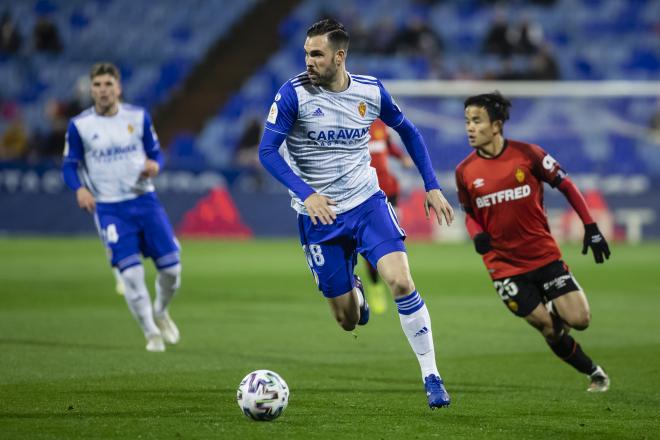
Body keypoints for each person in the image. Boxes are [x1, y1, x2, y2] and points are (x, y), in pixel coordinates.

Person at [258, 19, 454, 409]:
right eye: (306, 54)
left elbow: (409, 131)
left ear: (339, 55)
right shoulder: (292, 95)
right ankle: (358, 299)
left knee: (400, 281)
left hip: (367, 204)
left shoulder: (371, 91)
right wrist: (306, 193)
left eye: (316, 54)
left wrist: (431, 184)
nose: (308, 61)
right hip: (319, 218)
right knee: (348, 319)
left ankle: (431, 375)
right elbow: (266, 151)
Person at [455, 92, 611, 392]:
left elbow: (566, 185)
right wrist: (478, 235)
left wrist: (590, 226)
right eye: (467, 122)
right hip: (504, 266)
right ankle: (594, 372)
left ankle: (558, 312)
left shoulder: (528, 154)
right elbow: (469, 214)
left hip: (543, 255)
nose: (470, 128)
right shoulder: (465, 171)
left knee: (580, 320)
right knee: (549, 329)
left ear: (497, 125)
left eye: (477, 121)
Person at [61, 62, 181, 352]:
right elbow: (69, 165)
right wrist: (79, 190)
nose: (103, 90)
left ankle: (161, 311)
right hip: (110, 208)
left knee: (172, 271)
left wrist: (155, 165)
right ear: (91, 90)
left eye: (108, 84)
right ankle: (151, 332)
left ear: (119, 87)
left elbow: (156, 153)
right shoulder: (80, 126)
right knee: (130, 274)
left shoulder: (137, 117)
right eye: (97, 85)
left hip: (145, 201)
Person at [364, 118, 413, 313]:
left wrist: (402, 157)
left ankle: (398, 281)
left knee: (390, 239)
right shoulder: (348, 123)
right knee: (370, 242)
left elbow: (388, 145)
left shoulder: (379, 123)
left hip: (390, 190)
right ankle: (375, 285)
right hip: (366, 193)